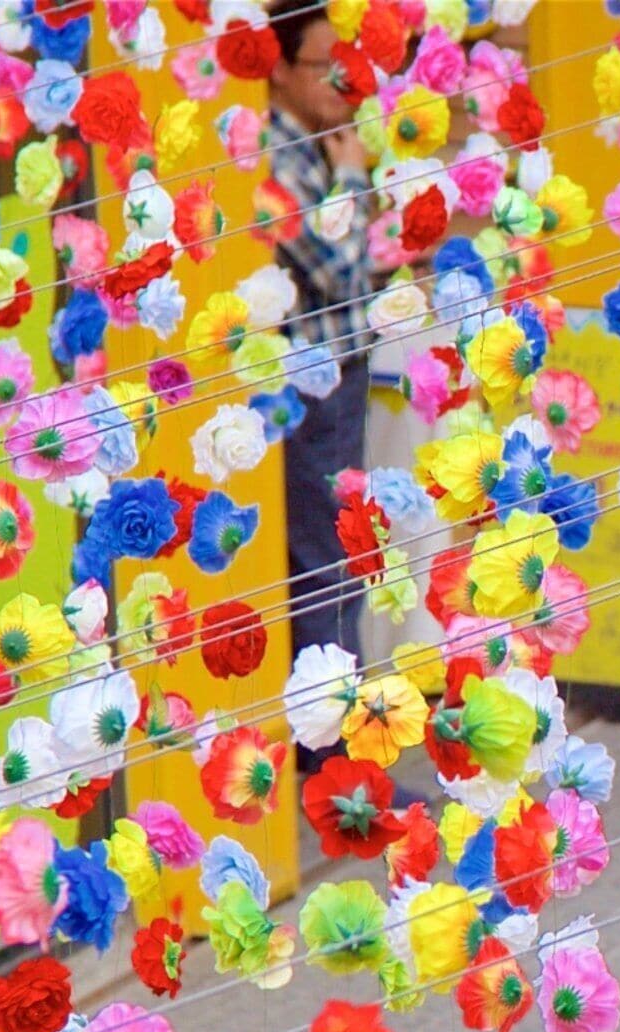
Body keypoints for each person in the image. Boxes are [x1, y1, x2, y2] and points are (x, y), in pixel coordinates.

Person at [264, 0, 373, 670]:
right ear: (277, 68)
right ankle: (338, 753)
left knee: (338, 552)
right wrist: (356, 175)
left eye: (344, 65)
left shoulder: (315, 145)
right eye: (320, 66)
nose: (337, 81)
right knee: (328, 559)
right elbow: (339, 267)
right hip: (316, 385)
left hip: (336, 374)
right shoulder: (280, 159)